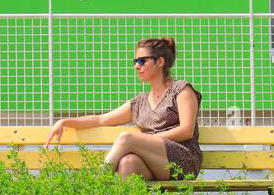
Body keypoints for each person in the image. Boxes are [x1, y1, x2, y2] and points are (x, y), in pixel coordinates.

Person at [45, 35, 203, 181]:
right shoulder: (140, 102)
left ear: (160, 62)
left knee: (127, 138)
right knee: (128, 162)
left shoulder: (181, 90)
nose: (136, 66)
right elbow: (100, 119)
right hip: (156, 163)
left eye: (142, 61)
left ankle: (96, 183)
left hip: (183, 160)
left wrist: (146, 140)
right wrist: (64, 121)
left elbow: (186, 130)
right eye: (135, 61)